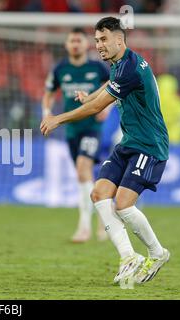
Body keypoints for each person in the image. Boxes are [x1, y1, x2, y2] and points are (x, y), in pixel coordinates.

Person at [40, 17, 170, 285]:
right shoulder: (120, 63)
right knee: (99, 193)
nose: (98, 45)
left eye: (104, 40)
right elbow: (109, 85)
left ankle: (157, 253)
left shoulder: (131, 68)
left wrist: (58, 118)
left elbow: (97, 108)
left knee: (122, 204)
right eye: (97, 40)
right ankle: (128, 258)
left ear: (119, 40)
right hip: (129, 142)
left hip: (149, 145)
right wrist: (90, 96)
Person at [42, 27, 110, 243]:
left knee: (83, 168)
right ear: (66, 45)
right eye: (72, 41)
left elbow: (113, 85)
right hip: (71, 129)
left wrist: (107, 106)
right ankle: (104, 216)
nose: (75, 45)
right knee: (85, 176)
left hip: (92, 128)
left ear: (86, 44)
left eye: (79, 41)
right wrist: (47, 112)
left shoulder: (97, 67)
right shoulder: (60, 69)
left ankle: (84, 227)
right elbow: (49, 93)